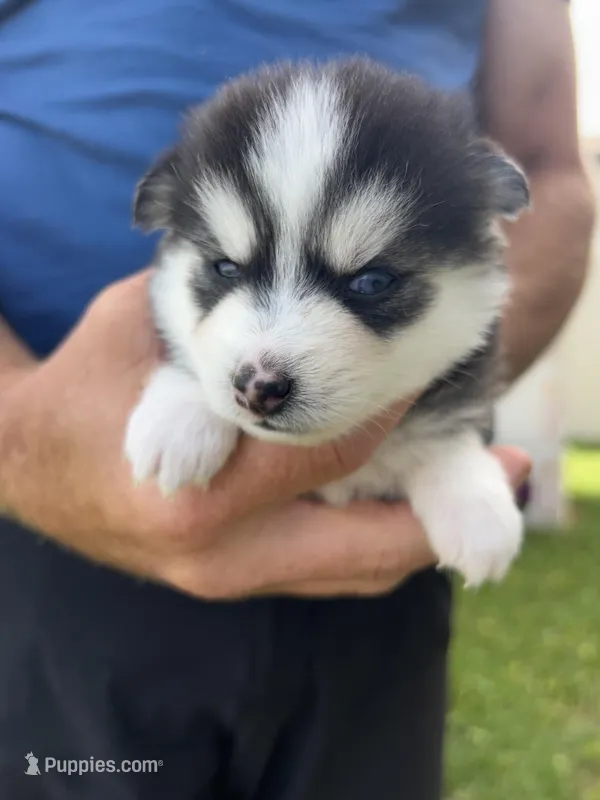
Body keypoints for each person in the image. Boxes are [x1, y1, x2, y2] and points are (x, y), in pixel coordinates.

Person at [0, 0, 593, 798]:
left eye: (372, 282)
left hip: (376, 588)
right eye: (223, 271)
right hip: (57, 535)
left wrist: (434, 448)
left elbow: (550, 166)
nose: (264, 365)